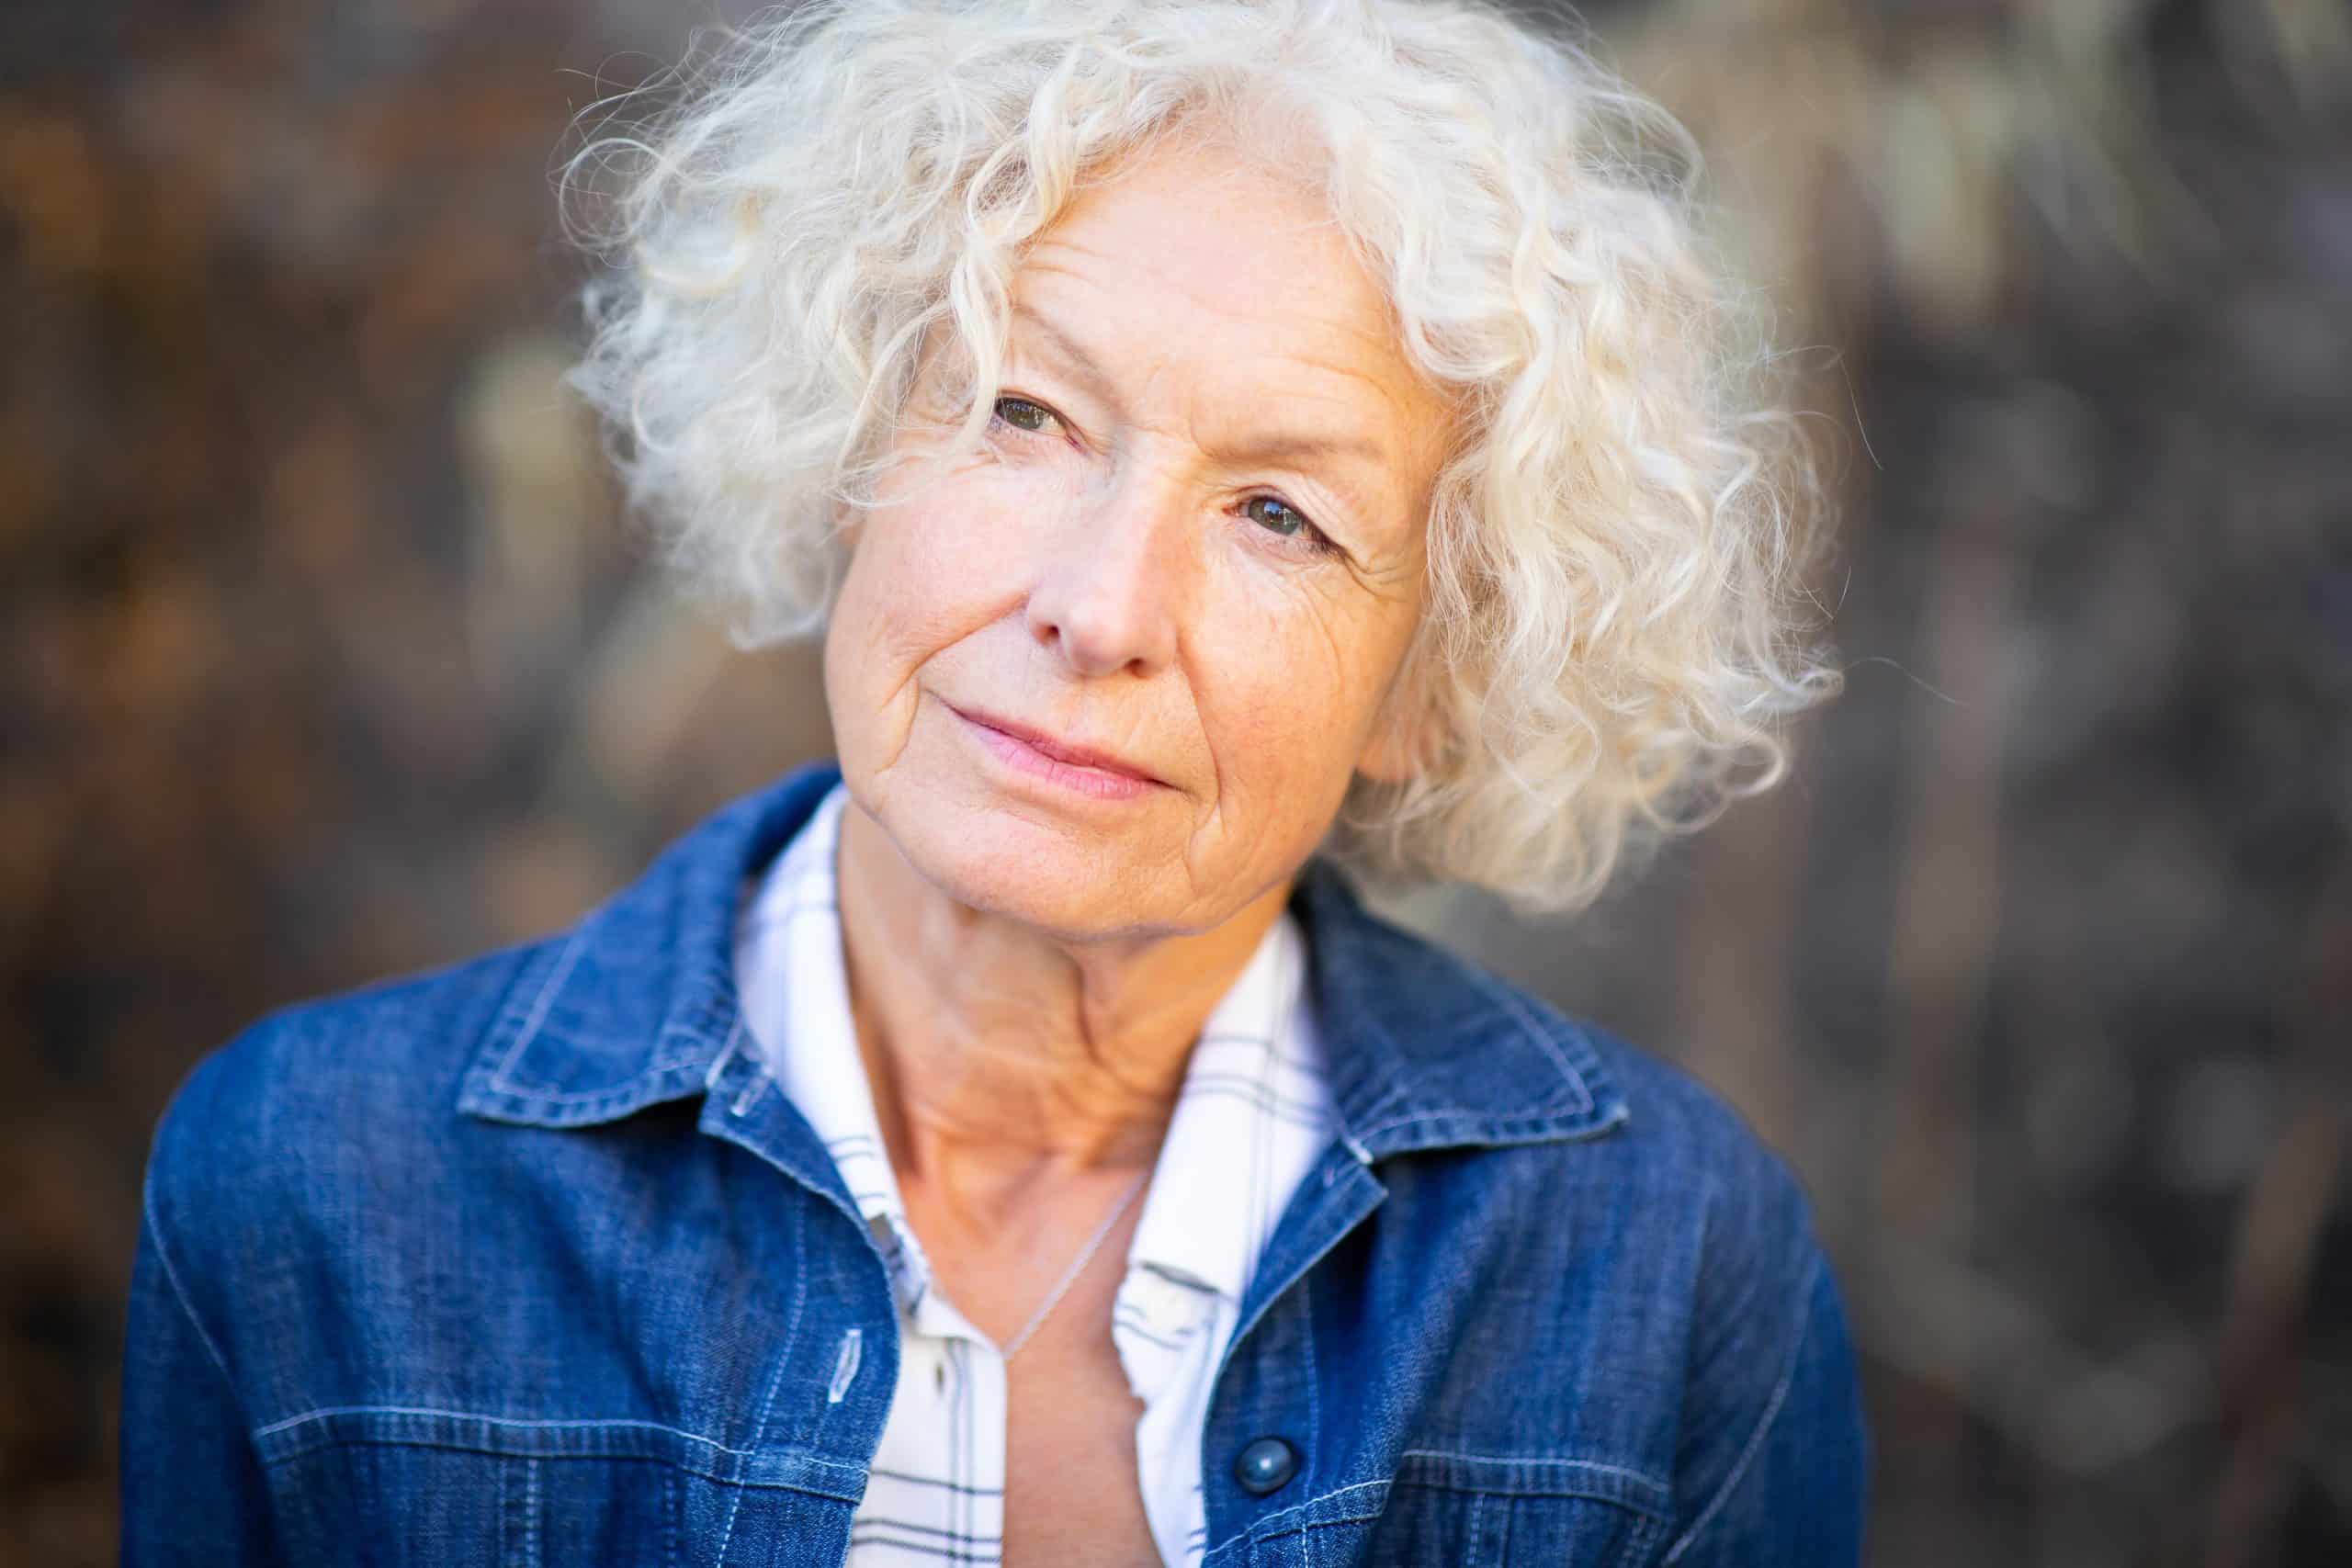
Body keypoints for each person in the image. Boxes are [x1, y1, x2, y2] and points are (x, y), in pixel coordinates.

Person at [119, 1, 1866, 1562]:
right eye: (1025, 411)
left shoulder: (1669, 1272)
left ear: (1432, 680)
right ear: (847, 445)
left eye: (1280, 514)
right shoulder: (310, 1192)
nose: (1098, 607)